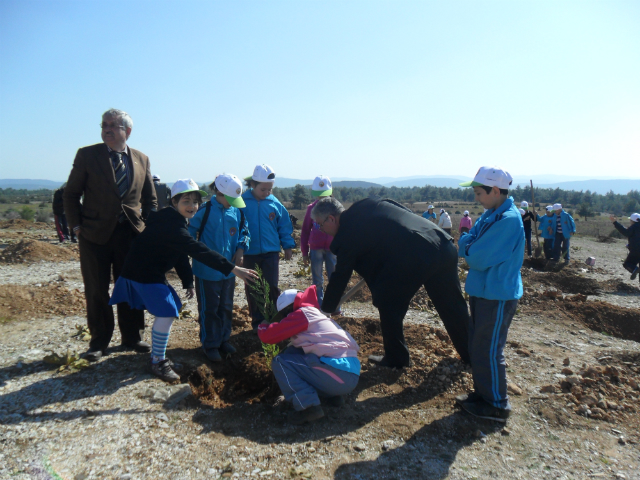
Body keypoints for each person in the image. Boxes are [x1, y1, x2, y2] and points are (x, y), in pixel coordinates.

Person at [109, 179, 258, 381]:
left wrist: (187, 281)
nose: (192, 206)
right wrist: (233, 269)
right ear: (174, 201)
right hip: (143, 274)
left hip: (148, 273)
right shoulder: (172, 225)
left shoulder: (174, 221)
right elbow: (198, 250)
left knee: (172, 307)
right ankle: (157, 361)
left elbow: (179, 255)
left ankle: (158, 356)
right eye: (186, 201)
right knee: (167, 311)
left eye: (195, 202)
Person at [312, 196, 470, 368]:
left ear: (332, 218)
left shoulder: (347, 234)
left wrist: (325, 309)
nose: (320, 229)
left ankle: (397, 359)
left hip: (419, 254)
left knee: (387, 301)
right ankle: (473, 356)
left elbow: (340, 276)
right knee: (453, 307)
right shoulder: (367, 204)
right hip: (441, 243)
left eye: (320, 224)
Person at [63, 109, 157, 362]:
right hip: (94, 236)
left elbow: (150, 199)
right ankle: (99, 341)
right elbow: (70, 194)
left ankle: (132, 337)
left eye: (113, 125)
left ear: (127, 131)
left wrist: (146, 228)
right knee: (96, 289)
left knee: (130, 287)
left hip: (131, 235)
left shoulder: (141, 159)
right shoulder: (87, 155)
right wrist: (76, 226)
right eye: (104, 125)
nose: (106, 129)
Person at [456, 166, 524, 422]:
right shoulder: (491, 214)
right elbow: (468, 239)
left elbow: (477, 257)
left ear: (495, 190)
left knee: (489, 349)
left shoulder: (507, 220)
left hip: (497, 295)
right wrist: (468, 245)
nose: (476, 198)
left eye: (478, 193)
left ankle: (497, 404)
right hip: (483, 291)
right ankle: (483, 395)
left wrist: (468, 247)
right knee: (478, 346)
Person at [258, 285, 360, 425]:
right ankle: (331, 396)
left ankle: (308, 407)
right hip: (348, 374)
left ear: (289, 308)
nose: (284, 319)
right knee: (294, 353)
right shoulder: (314, 314)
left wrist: (262, 326)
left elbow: (268, 336)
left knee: (280, 361)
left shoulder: (301, 314)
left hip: (340, 375)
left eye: (284, 315)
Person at [188, 174, 250, 362]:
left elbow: (244, 231)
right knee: (210, 308)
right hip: (207, 272)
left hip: (229, 272)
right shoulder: (204, 211)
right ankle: (210, 344)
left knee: (226, 306)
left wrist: (240, 248)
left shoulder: (236, 212)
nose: (232, 203)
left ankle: (224, 339)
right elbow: (188, 235)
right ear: (218, 192)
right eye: (229, 199)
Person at [241, 164, 296, 329]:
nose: (266, 193)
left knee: (272, 286)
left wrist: (287, 246)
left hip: (271, 252)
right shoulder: (242, 202)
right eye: (263, 189)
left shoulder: (275, 203)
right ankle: (257, 322)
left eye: (269, 190)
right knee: (253, 288)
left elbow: (284, 226)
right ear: (253, 185)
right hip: (250, 253)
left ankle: (274, 318)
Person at [300, 175, 337, 306]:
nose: (322, 199)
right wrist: (304, 252)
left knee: (334, 278)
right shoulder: (311, 209)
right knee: (317, 279)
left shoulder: (336, 209)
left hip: (332, 248)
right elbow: (305, 231)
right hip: (315, 249)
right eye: (319, 196)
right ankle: (320, 306)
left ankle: (334, 305)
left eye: (324, 196)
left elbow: (342, 229)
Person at [609, 213, 640, 281]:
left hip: (636, 250)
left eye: (630, 220)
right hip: (636, 249)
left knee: (628, 264)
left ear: (633, 220)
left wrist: (615, 222)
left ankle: (635, 269)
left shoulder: (634, 227)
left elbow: (625, 232)